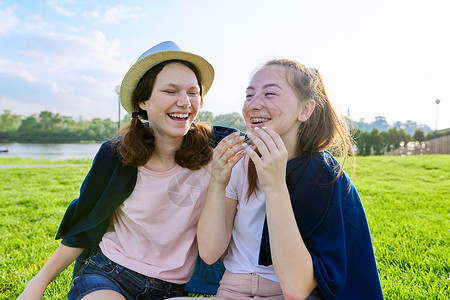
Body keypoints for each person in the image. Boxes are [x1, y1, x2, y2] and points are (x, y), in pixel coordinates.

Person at [17, 41, 234, 300]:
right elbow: (85, 224)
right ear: (143, 100)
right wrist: (37, 284)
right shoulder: (115, 155)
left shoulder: (219, 152)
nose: (184, 102)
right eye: (170, 91)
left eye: (193, 92)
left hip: (173, 289)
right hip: (110, 275)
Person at [188, 59, 384, 299]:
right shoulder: (240, 163)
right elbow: (209, 253)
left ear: (305, 110)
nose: (254, 104)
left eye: (270, 93)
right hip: (232, 289)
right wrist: (218, 182)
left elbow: (296, 289)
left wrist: (275, 186)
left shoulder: (323, 176)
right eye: (249, 95)